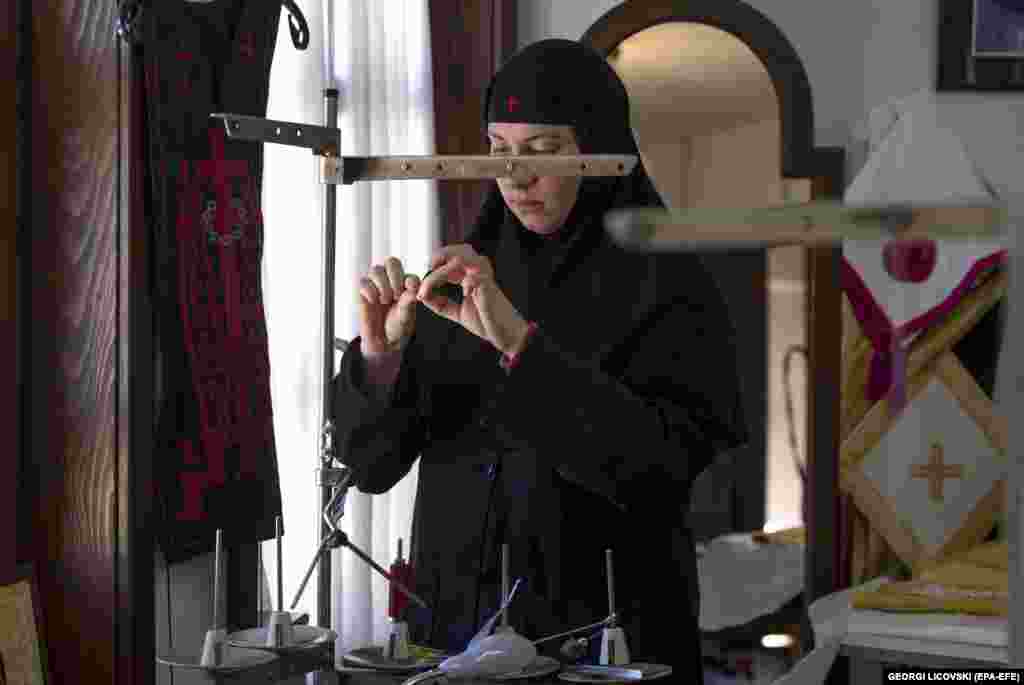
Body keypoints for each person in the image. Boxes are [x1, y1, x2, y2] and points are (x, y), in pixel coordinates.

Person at [332, 38, 749, 682]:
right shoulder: (463, 275)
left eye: (543, 151)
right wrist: (380, 358)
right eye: (499, 152)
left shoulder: (672, 284)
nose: (516, 177)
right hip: (453, 642)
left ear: (602, 150)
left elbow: (656, 473)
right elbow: (371, 466)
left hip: (607, 647)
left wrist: (519, 346)